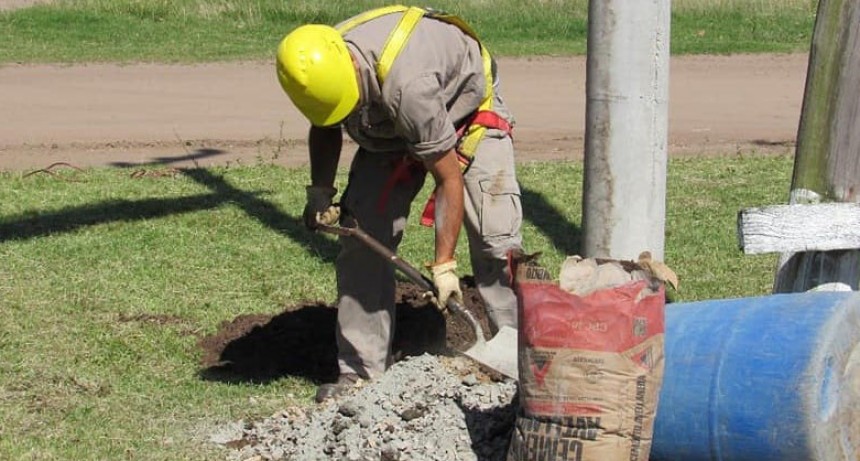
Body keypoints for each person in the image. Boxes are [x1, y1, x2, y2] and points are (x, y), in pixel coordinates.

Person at [275, 5, 524, 403]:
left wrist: (444, 266)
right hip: (388, 133)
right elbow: (324, 125)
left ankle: (520, 361)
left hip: (465, 117)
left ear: (354, 71)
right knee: (362, 243)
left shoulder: (410, 86)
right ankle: (360, 373)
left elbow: (448, 178)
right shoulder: (320, 64)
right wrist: (320, 191)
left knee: (495, 242)